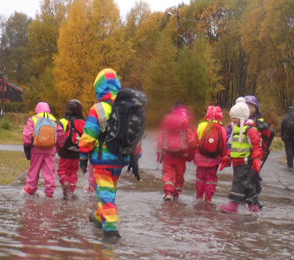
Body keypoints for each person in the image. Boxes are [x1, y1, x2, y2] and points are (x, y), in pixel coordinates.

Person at [79, 68, 141, 241]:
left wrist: (83, 157)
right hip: (120, 160)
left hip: (103, 160)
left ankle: (111, 228)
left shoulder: (98, 109)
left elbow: (89, 136)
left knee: (105, 194)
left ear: (99, 87)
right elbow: (136, 136)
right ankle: (98, 219)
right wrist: (135, 157)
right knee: (108, 190)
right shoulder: (128, 109)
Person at [219, 101, 263, 214]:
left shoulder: (250, 130)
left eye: (236, 117)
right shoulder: (236, 129)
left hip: (246, 162)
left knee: (238, 183)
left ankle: (233, 205)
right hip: (237, 161)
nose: (233, 120)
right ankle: (253, 205)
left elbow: (257, 144)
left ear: (242, 117)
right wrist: (229, 156)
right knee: (247, 184)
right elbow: (234, 145)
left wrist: (257, 159)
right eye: (232, 117)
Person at [21, 102, 65, 198]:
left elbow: (27, 135)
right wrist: (57, 148)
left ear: (37, 109)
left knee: (34, 170)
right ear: (48, 110)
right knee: (50, 172)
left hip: (36, 149)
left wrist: (27, 148)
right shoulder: (53, 120)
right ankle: (49, 193)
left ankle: (30, 189)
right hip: (50, 150)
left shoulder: (33, 119)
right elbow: (60, 135)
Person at [156, 104, 196, 201]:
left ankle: (168, 193)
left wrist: (159, 156)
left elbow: (160, 141)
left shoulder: (167, 123)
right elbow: (192, 142)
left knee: (168, 174)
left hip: (167, 155)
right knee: (179, 175)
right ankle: (176, 194)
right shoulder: (185, 124)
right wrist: (190, 156)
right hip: (181, 156)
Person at [194, 105, 227, 202]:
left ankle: (199, 196)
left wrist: (192, 153)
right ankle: (208, 198)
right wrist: (224, 157)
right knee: (211, 178)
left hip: (200, 157)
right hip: (214, 159)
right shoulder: (222, 129)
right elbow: (224, 143)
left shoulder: (201, 125)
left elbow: (194, 139)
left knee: (200, 177)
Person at [57, 99, 85, 200]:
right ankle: (72, 191)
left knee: (62, 170)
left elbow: (59, 135)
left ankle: (65, 182)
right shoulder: (83, 122)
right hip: (77, 153)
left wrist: (60, 147)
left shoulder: (63, 121)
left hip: (65, 152)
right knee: (73, 171)